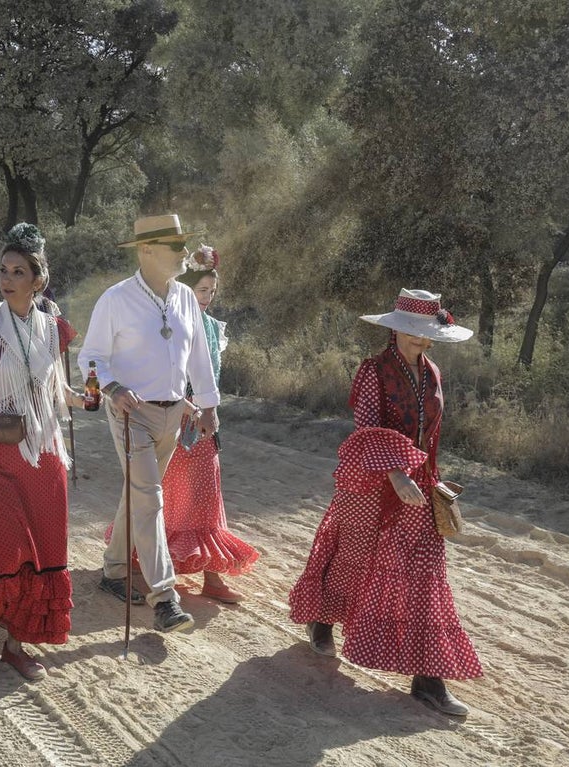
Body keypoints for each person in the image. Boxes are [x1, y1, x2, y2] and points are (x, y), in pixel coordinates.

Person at [287, 289, 481, 717]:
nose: (422, 341)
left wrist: (429, 481)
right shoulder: (373, 372)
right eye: (414, 333)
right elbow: (366, 429)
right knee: (353, 560)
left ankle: (428, 680)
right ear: (395, 330)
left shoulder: (432, 373)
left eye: (427, 334)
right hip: (370, 483)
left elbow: (430, 437)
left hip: (418, 486)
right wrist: (394, 474)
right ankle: (323, 621)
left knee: (424, 574)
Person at [0, 223, 84, 681]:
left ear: (37, 280)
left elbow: (59, 389)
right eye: (2, 270)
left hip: (45, 455)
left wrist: (90, 398)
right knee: (8, 552)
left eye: (17, 271)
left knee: (43, 554)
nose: (6, 279)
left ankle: (15, 643)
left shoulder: (53, 329)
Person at [78, 214, 220, 634]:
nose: (182, 254)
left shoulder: (185, 298)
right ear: (146, 251)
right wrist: (113, 387)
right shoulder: (116, 299)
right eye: (174, 247)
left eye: (182, 245)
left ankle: (115, 570)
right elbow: (91, 357)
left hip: (174, 413)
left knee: (139, 493)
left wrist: (208, 405)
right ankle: (165, 598)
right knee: (150, 496)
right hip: (130, 413)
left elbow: (198, 357)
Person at [107, 244, 260, 603]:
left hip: (204, 427)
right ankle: (144, 566)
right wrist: (185, 406)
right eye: (201, 290)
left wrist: (207, 408)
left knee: (208, 499)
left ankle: (212, 575)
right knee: (160, 500)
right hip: (169, 420)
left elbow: (208, 376)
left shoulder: (211, 328)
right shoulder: (169, 322)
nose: (207, 298)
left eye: (212, 291)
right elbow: (165, 376)